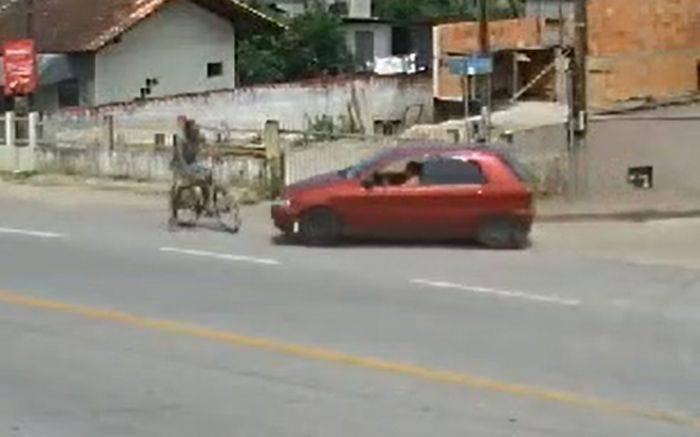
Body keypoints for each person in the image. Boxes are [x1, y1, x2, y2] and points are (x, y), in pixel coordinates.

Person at [171, 117, 213, 212]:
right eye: (193, 130)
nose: (195, 132)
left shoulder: (199, 137)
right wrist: (185, 168)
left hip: (192, 163)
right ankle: (176, 206)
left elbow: (207, 148)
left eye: (196, 130)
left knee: (207, 177)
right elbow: (179, 155)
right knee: (188, 183)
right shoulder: (181, 140)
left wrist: (213, 155)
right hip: (180, 164)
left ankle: (206, 203)